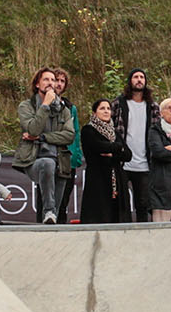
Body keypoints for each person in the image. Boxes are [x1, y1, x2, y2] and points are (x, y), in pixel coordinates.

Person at [16, 68, 76, 225]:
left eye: (53, 80)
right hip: (35, 159)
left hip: (60, 161)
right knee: (47, 163)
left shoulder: (64, 110)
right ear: (37, 84)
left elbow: (69, 136)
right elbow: (32, 129)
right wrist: (45, 105)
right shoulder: (26, 106)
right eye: (46, 80)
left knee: (54, 213)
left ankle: (50, 221)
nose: (51, 83)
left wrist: (43, 137)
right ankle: (48, 211)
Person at [111, 69, 158, 222]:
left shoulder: (152, 106)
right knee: (122, 204)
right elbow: (110, 128)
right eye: (135, 77)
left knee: (143, 204)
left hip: (144, 162)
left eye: (142, 77)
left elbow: (157, 132)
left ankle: (143, 239)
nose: (139, 80)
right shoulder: (119, 103)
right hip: (123, 162)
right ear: (130, 81)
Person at [79, 98, 129, 225]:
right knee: (99, 216)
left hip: (117, 178)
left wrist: (112, 153)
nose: (106, 111)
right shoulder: (88, 130)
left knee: (118, 218)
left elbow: (128, 155)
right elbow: (98, 147)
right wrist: (117, 148)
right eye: (102, 108)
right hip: (98, 178)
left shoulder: (115, 132)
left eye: (108, 108)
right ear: (95, 113)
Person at [54, 68, 83, 223]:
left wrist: (76, 156)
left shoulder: (71, 107)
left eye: (62, 81)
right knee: (51, 202)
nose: (59, 84)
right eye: (56, 80)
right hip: (51, 158)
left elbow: (76, 132)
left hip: (68, 160)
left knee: (64, 201)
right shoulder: (42, 103)